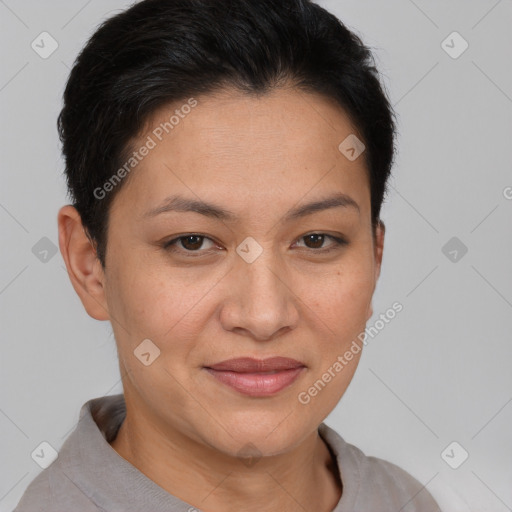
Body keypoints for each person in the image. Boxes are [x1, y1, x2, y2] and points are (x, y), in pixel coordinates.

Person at [15, 0, 441, 510]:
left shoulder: (407, 500)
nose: (263, 316)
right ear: (89, 265)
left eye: (315, 240)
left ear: (374, 259)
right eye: (192, 242)